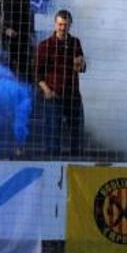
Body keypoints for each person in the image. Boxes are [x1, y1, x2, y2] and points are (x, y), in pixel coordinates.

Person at [35, 9, 87, 156]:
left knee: (77, 136)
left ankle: (77, 164)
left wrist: (81, 64)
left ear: (70, 25)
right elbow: (36, 73)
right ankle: (52, 167)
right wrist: (46, 90)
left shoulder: (75, 43)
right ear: (55, 24)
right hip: (54, 96)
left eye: (65, 25)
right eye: (60, 24)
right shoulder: (45, 45)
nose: (62, 28)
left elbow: (82, 67)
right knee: (53, 136)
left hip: (73, 96)